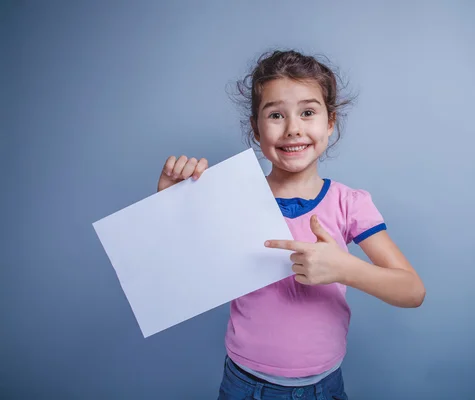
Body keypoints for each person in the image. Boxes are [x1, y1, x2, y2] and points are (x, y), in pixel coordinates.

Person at [156, 50, 426, 400]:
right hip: (245, 385)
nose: (293, 128)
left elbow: (412, 291)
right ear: (256, 128)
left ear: (330, 122)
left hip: (324, 386)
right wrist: (170, 205)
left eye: (308, 112)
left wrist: (344, 268)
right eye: (276, 115)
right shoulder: (231, 199)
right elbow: (176, 272)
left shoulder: (349, 204)